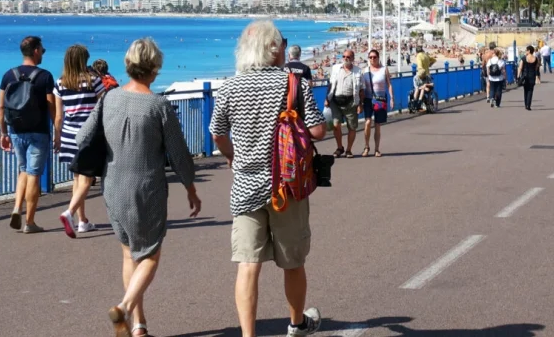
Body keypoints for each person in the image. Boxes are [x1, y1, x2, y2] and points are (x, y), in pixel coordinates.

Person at [209, 21, 326, 337]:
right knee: (292, 262)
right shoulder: (293, 84)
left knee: (248, 266)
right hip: (286, 186)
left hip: (245, 188)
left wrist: (233, 156)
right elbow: (317, 130)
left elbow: (217, 133)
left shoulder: (229, 88)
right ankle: (297, 324)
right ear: (274, 49)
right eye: (282, 42)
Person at [80, 38, 201, 337]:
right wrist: (191, 188)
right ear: (155, 68)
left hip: (113, 186)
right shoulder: (159, 105)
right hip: (147, 188)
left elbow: (83, 138)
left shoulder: (108, 98)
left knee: (128, 254)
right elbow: (178, 153)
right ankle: (123, 308)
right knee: (150, 254)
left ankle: (138, 326)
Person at [0, 36, 56, 234]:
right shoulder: (45, 76)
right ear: (36, 51)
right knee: (34, 175)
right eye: (42, 49)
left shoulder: (9, 75)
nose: (43, 53)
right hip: (38, 132)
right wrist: (58, 132)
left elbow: (1, 107)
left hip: (16, 130)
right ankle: (29, 222)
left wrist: (3, 132)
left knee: (22, 169)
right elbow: (52, 108)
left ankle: (16, 208)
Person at [55, 45, 105, 238]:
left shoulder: (61, 83)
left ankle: (82, 221)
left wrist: (57, 136)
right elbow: (103, 107)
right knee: (87, 179)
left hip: (68, 135)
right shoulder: (94, 81)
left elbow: (59, 116)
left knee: (77, 178)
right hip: (88, 135)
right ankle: (69, 213)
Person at [325, 49, 364, 159]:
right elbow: (331, 84)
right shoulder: (336, 68)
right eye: (344, 56)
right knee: (336, 125)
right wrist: (326, 98)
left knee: (352, 127)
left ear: (353, 58)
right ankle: (339, 147)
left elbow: (361, 90)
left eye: (348, 57)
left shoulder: (358, 71)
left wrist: (361, 104)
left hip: (351, 102)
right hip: (335, 101)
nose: (346, 58)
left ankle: (348, 150)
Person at [362, 49, 394, 157]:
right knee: (367, 123)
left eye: (374, 57)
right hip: (368, 99)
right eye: (370, 57)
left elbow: (389, 84)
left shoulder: (384, 69)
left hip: (380, 99)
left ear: (378, 57)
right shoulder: (365, 71)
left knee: (377, 125)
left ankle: (377, 149)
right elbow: (361, 87)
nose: (372, 59)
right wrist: (359, 102)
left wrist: (392, 98)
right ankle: (366, 147)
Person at [517, 46, 540, 111]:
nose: (526, 51)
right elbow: (536, 68)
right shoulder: (536, 59)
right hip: (532, 76)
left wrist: (518, 76)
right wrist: (537, 76)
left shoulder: (524, 58)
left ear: (529, 51)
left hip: (525, 76)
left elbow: (520, 68)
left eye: (526, 50)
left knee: (525, 90)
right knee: (530, 91)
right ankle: (528, 105)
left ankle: (526, 104)